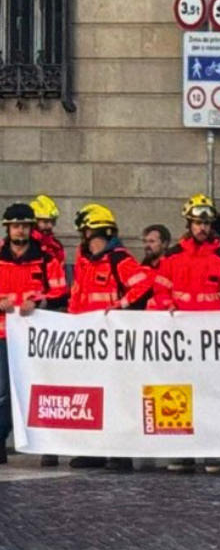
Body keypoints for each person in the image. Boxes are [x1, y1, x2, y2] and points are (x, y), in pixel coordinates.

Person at [154, 195, 220, 474]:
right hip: (178, 339)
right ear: (188, 223)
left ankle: (211, 451)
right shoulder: (172, 256)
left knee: (211, 394)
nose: (202, 227)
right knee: (179, 395)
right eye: (198, 222)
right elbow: (160, 291)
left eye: (207, 223)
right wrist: (167, 307)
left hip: (211, 342)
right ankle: (183, 451)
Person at [66, 204, 153, 471]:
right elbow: (77, 300)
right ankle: (95, 450)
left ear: (98, 234)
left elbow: (145, 283)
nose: (85, 239)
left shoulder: (118, 259)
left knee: (117, 396)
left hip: (113, 342)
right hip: (87, 341)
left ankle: (120, 453)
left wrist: (122, 306)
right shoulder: (85, 262)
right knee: (92, 397)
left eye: (87, 234)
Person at [0, 203, 67, 466]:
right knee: (3, 392)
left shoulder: (46, 258)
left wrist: (39, 302)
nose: (20, 231)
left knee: (41, 391)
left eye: (25, 226)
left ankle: (47, 445)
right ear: (8, 228)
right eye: (16, 226)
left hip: (37, 339)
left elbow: (61, 291)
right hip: (3, 335)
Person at [29, 195, 64, 265]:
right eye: (45, 221)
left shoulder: (56, 246)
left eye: (52, 222)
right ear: (34, 222)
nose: (50, 226)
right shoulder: (24, 245)